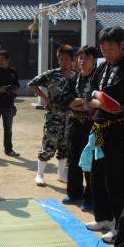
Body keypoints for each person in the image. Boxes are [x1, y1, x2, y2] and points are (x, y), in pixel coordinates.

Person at [84, 26, 124, 243]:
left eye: (110, 48)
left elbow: (115, 103)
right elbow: (89, 95)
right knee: (97, 175)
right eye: (103, 49)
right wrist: (99, 98)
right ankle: (104, 217)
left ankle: (119, 224)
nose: (106, 53)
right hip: (100, 129)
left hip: (119, 131)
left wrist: (97, 98)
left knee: (116, 179)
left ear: (121, 45)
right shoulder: (103, 67)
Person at [58, 46, 98, 211]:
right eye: (80, 58)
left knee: (90, 163)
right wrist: (82, 103)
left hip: (92, 126)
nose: (82, 62)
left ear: (94, 60)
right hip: (74, 125)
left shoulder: (98, 79)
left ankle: (90, 198)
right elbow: (65, 100)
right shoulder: (73, 79)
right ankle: (75, 193)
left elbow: (94, 103)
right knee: (73, 161)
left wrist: (79, 103)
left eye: (86, 58)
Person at [28, 44, 74, 185]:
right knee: (49, 144)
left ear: (72, 60)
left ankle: (61, 173)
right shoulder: (52, 74)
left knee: (65, 146)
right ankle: (40, 174)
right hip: (53, 116)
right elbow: (32, 84)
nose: (63, 62)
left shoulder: (75, 76)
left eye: (66, 59)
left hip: (69, 117)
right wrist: (45, 98)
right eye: (60, 59)